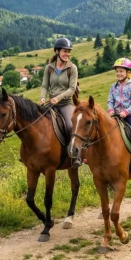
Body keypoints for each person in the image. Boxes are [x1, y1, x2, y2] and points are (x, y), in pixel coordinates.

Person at [41, 38, 81, 167]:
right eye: (65, 51)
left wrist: (58, 98)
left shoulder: (72, 68)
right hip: (51, 103)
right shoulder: (49, 68)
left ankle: (76, 157)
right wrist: (42, 98)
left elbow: (72, 89)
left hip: (66, 103)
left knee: (71, 126)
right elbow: (44, 86)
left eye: (69, 52)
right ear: (57, 51)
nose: (67, 54)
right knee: (34, 121)